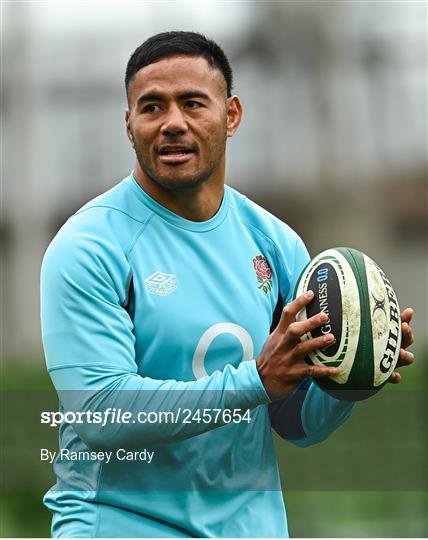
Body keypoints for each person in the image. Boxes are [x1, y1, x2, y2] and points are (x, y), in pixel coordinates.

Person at [40, 31, 415, 538]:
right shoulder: (88, 247)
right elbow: (103, 416)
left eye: (193, 103)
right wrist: (255, 380)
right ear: (129, 124)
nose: (173, 122)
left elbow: (295, 423)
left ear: (231, 114)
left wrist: (352, 374)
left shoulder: (276, 243)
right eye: (152, 107)